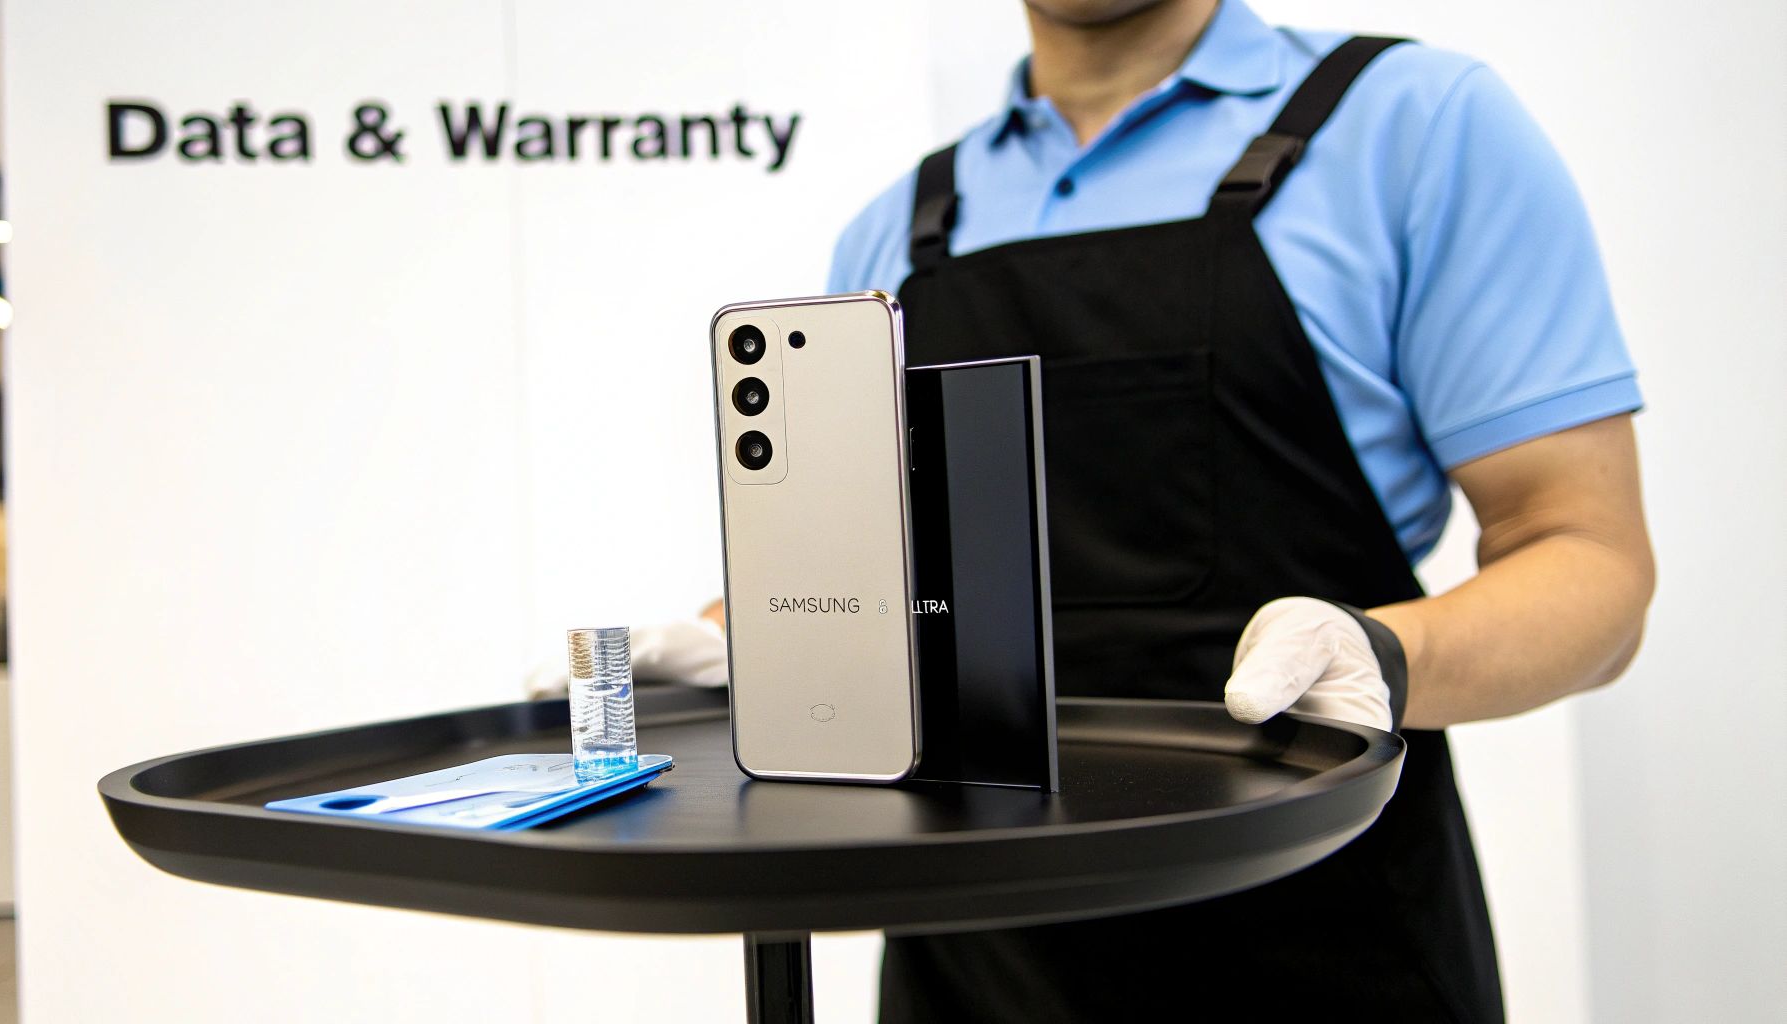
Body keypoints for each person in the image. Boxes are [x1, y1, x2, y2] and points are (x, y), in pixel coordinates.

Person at [639, 0, 1654, 1018]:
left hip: (1329, 954)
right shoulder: (895, 234)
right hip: (975, 968)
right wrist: (747, 640)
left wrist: (1387, 657)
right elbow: (873, 573)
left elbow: (1585, 555)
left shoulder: (1416, 127)